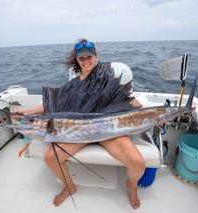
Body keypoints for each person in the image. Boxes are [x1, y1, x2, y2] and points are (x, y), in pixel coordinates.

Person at [13, 39, 145, 209]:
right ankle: (69, 186)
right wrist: (27, 112)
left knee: (137, 163)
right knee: (50, 158)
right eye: (82, 58)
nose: (86, 61)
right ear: (77, 60)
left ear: (95, 57)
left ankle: (132, 186)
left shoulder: (107, 78)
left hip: (108, 131)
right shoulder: (71, 86)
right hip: (78, 133)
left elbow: (127, 100)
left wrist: (147, 112)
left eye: (89, 57)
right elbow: (53, 105)